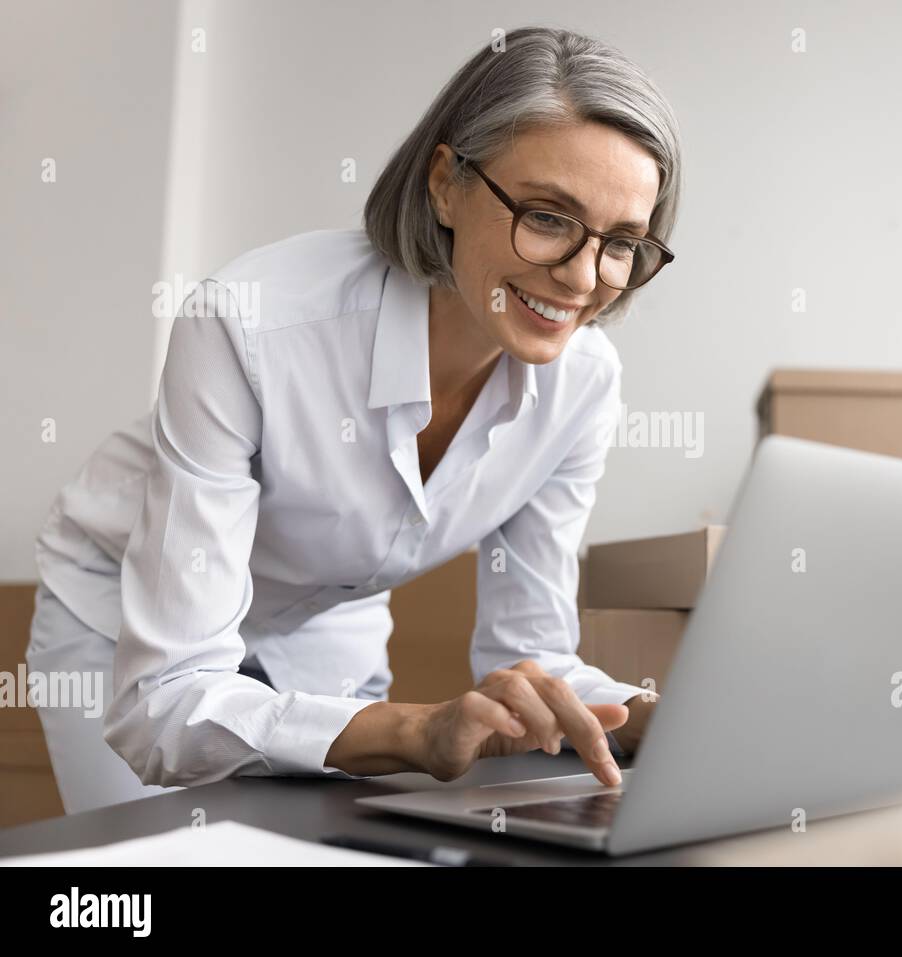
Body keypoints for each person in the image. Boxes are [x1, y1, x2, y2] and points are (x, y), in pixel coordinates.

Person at [26, 25, 682, 814]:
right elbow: (165, 705)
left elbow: (530, 655)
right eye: (546, 216)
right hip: (124, 607)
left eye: (622, 243)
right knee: (144, 867)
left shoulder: (582, 384)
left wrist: (663, 717)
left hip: (323, 617)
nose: (583, 276)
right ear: (446, 183)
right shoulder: (247, 325)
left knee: (327, 851)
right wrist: (412, 730)